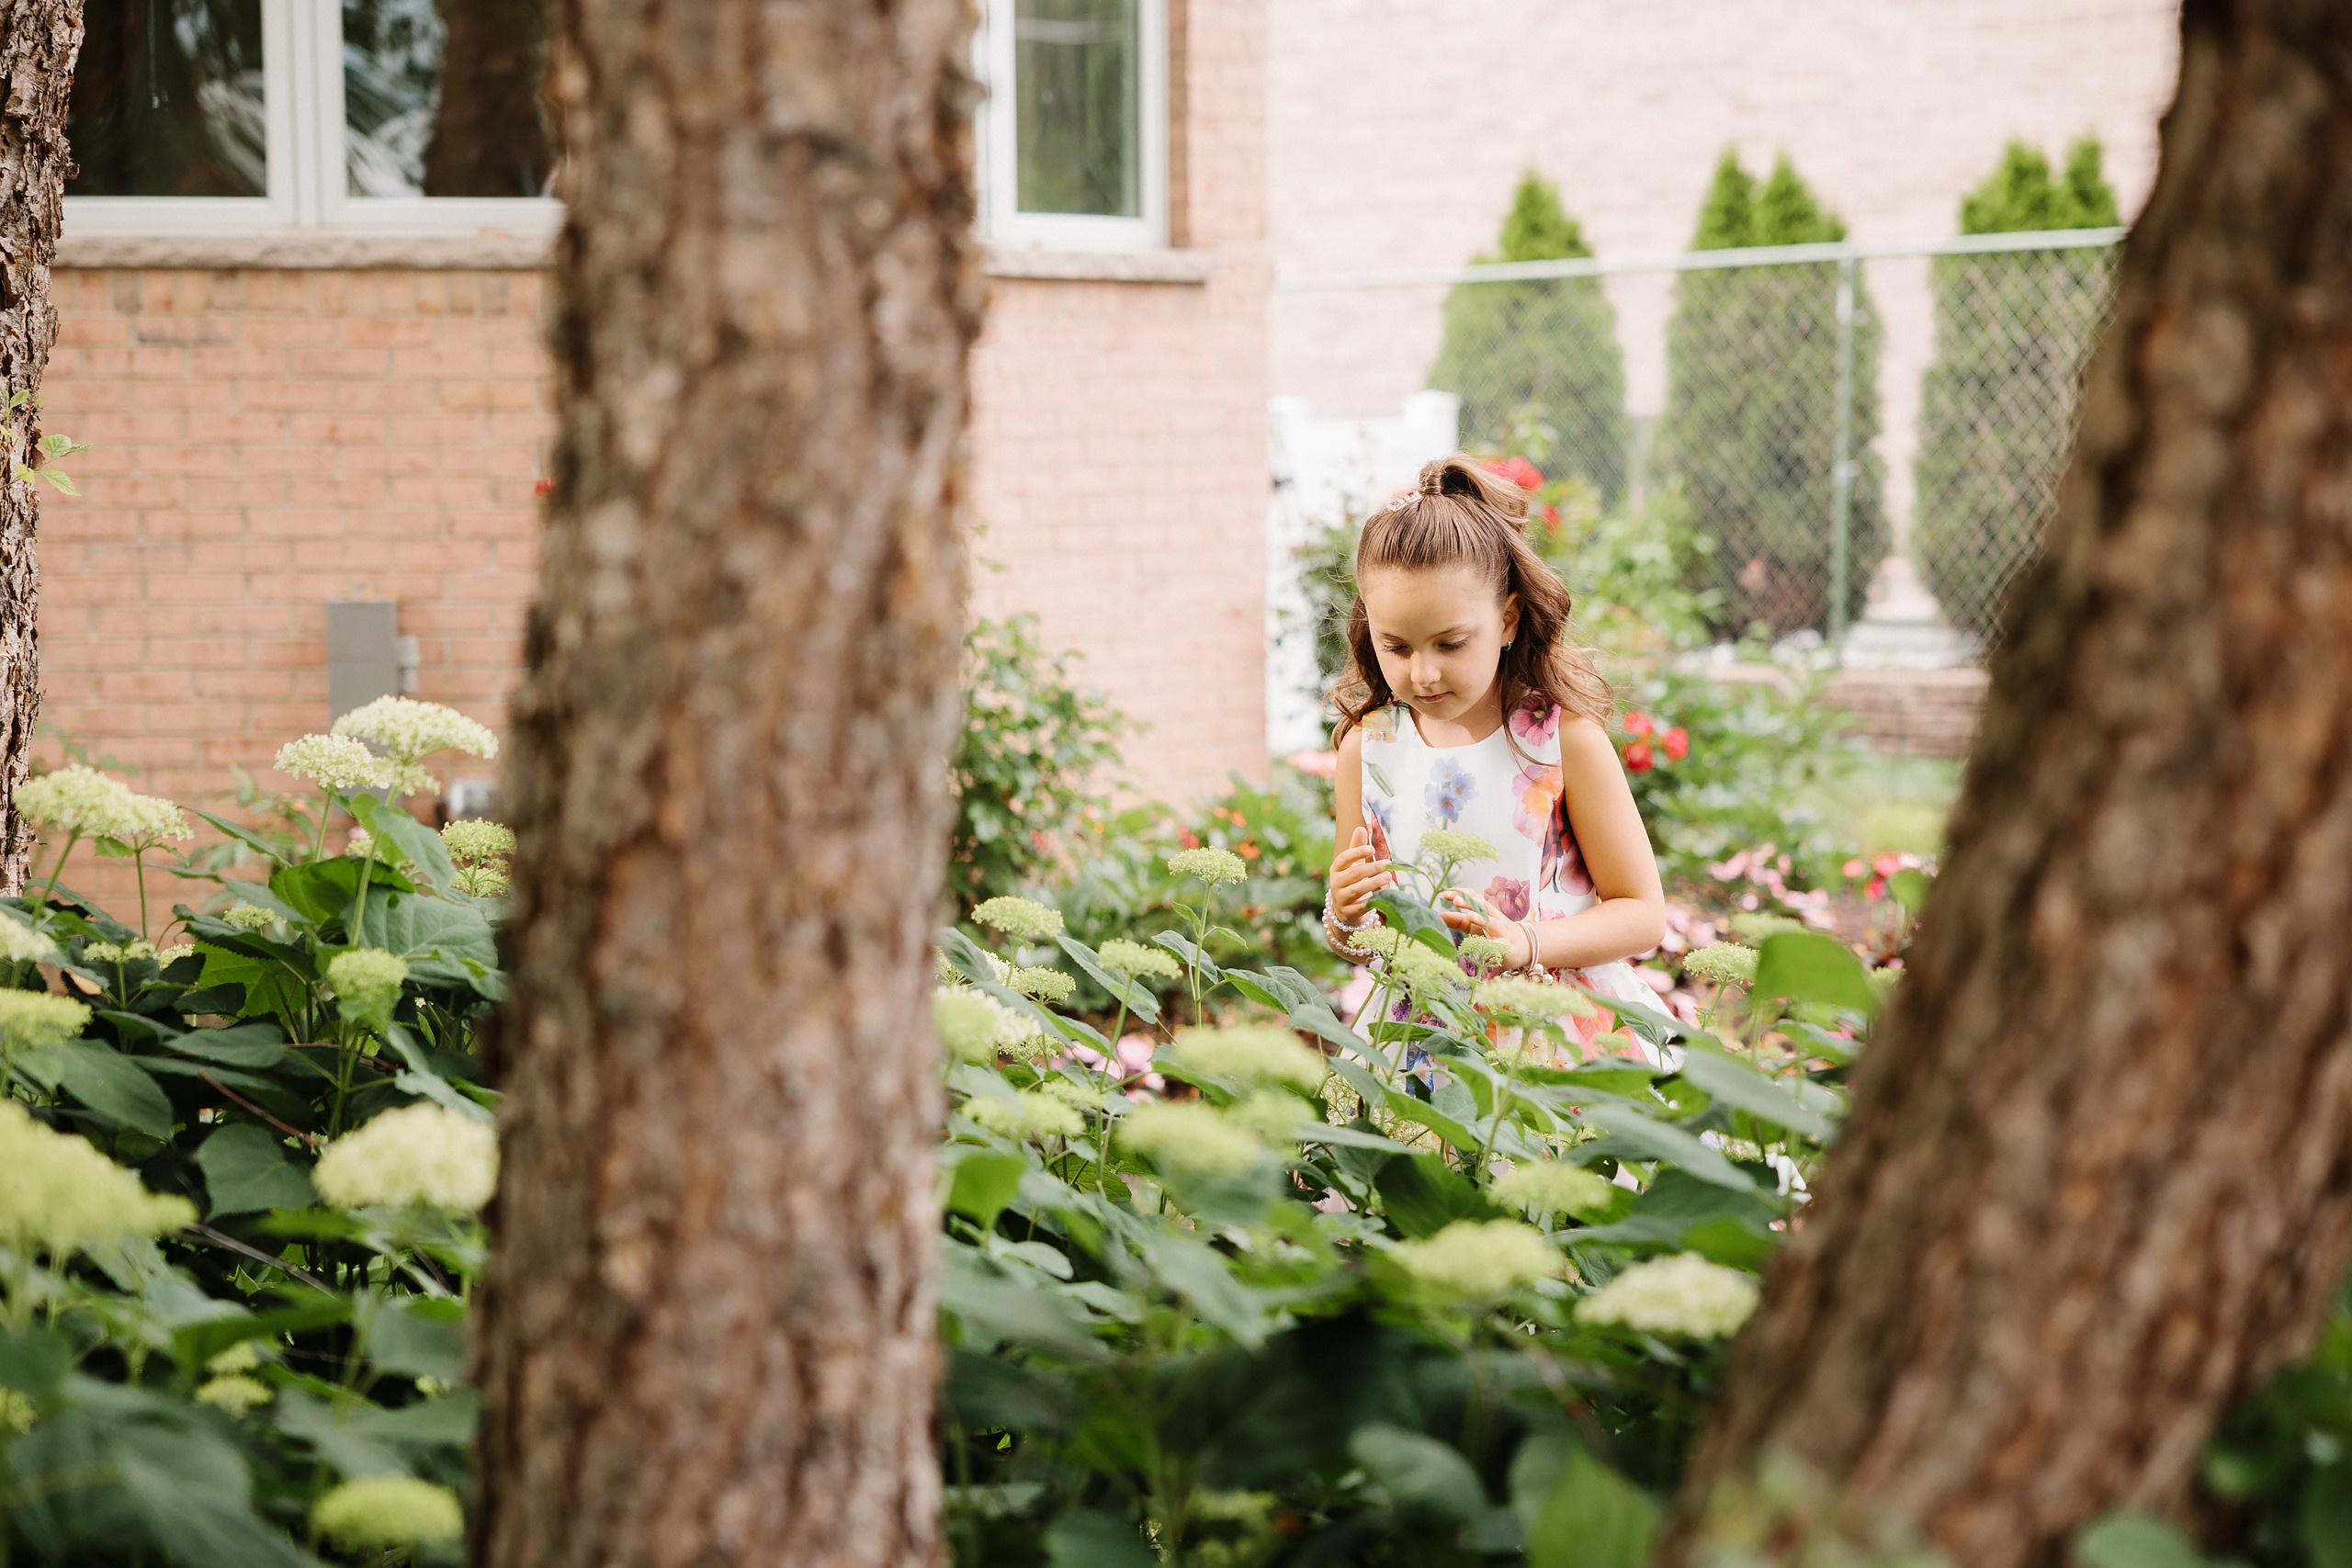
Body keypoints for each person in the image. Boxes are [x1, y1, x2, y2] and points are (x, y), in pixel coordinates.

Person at [1322, 454, 1666, 1056]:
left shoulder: (1562, 740)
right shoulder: (1367, 749)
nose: (1422, 672)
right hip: (1418, 1041)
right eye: (1395, 646)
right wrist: (1346, 914)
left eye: (1450, 643)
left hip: (1547, 1033)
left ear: (1507, 619)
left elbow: (1642, 912)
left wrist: (1526, 943)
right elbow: (1364, 941)